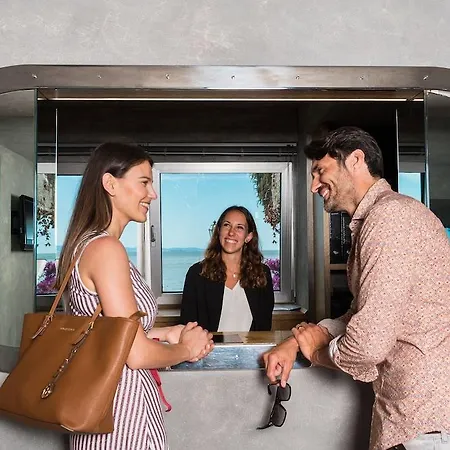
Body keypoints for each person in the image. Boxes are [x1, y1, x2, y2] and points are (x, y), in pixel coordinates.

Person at [263, 127, 450, 450]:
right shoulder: (381, 218)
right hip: (415, 421)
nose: (314, 185)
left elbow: (368, 344)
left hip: (425, 423)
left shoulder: (389, 218)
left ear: (356, 160)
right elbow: (360, 316)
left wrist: (317, 354)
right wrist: (296, 342)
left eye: (320, 171)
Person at [54, 142, 214, 450]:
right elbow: (135, 354)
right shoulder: (106, 249)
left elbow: (106, 335)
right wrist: (185, 349)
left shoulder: (85, 244)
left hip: (101, 418)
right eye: (144, 182)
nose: (152, 194)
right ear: (110, 183)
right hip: (124, 420)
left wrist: (164, 333)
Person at [180, 205, 274, 332]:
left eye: (239, 227)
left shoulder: (262, 274)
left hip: (252, 345)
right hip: (208, 345)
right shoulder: (197, 274)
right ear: (219, 231)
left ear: (248, 236)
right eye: (227, 225)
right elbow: (188, 328)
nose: (231, 232)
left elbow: (264, 327)